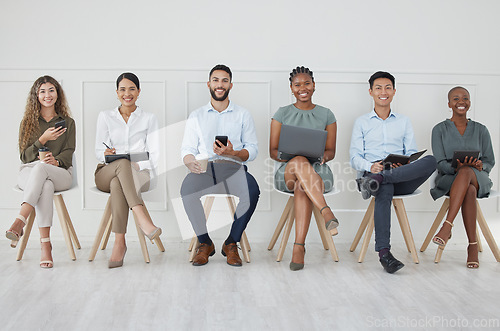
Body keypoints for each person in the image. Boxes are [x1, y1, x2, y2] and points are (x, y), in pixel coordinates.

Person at [350, 71, 436, 274]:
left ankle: (379, 178)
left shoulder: (404, 121)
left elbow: (412, 154)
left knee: (432, 160)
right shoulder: (362, 122)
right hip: (371, 173)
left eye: (388, 87)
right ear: (371, 92)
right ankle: (384, 254)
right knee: (384, 187)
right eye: (378, 88)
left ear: (394, 91)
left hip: (397, 176)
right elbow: (354, 157)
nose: (383, 92)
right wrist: (372, 167)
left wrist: (404, 164)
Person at [180, 64, 260, 267]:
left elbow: (253, 150)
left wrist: (232, 152)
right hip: (205, 169)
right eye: (216, 80)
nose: (220, 84)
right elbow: (187, 150)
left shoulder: (243, 114)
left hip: (234, 169)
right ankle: (205, 242)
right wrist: (190, 162)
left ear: (231, 85)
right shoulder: (196, 115)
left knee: (252, 190)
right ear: (209, 84)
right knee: (187, 190)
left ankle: (231, 242)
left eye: (224, 80)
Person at [269, 66, 338, 271]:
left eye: (307, 83)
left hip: (318, 171)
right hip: (287, 171)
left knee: (302, 186)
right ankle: (325, 211)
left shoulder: (327, 114)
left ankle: (299, 247)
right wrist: (289, 154)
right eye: (297, 85)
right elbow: (272, 151)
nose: (303, 88)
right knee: (299, 161)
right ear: (291, 88)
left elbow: (331, 151)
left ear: (314, 86)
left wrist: (322, 156)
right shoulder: (282, 113)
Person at [5, 75, 75, 268]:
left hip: (61, 172)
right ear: (36, 96)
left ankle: (20, 219)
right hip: (30, 172)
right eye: (42, 91)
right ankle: (46, 245)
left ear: (57, 94)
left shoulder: (67, 122)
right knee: (45, 183)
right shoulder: (27, 123)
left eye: (51, 90)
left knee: (44, 169)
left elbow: (69, 154)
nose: (47, 95)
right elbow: (24, 157)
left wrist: (56, 161)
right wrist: (42, 139)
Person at [94, 72, 161, 268]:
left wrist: (138, 165)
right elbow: (98, 151)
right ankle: (142, 218)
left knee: (119, 182)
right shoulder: (105, 117)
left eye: (132, 89)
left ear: (139, 92)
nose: (127, 93)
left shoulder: (149, 118)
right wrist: (105, 153)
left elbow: (155, 155)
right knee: (121, 164)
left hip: (140, 174)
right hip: (106, 172)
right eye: (122, 89)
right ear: (116, 92)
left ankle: (119, 243)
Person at [430, 86, 494, 268]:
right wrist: (454, 167)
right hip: (450, 178)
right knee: (469, 189)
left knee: (468, 173)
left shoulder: (481, 130)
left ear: (469, 103)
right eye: (456, 98)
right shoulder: (439, 130)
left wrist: (481, 165)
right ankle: (472, 247)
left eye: (465, 98)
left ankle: (447, 226)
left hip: (478, 176)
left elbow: (490, 160)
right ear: (449, 104)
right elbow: (439, 162)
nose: (461, 102)